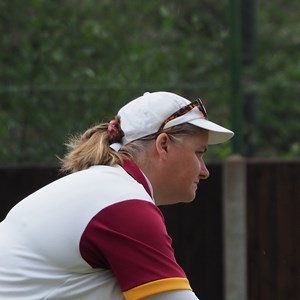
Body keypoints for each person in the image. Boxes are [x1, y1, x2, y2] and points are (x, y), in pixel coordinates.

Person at [0, 91, 233, 300]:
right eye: (199, 153)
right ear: (163, 145)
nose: (205, 171)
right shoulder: (123, 203)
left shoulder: (102, 188)